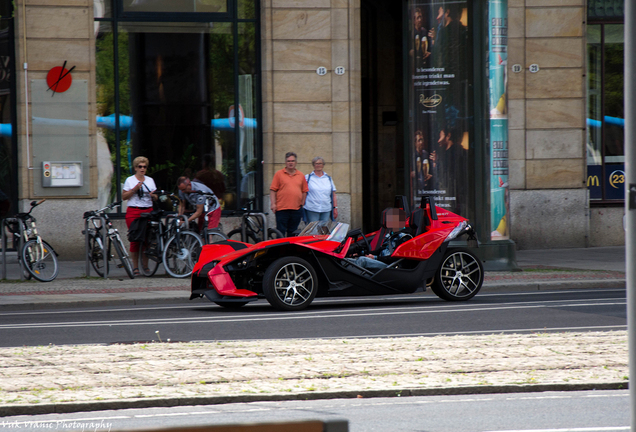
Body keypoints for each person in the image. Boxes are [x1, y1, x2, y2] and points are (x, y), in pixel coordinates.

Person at [122, 156, 157, 276]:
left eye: (144, 167)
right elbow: (124, 197)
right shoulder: (130, 180)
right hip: (134, 211)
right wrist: (135, 189)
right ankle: (135, 267)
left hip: (148, 210)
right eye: (140, 166)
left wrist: (154, 196)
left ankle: (145, 266)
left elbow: (156, 196)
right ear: (135, 168)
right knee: (135, 239)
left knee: (147, 239)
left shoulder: (150, 180)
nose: (142, 169)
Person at [270, 152, 308, 237]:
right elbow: (273, 190)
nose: (290, 163)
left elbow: (304, 191)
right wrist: (273, 204)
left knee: (293, 232)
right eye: (288, 161)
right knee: (281, 232)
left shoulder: (301, 175)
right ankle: (280, 250)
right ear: (285, 162)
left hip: (296, 210)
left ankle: (290, 250)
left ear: (296, 162)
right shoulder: (279, 174)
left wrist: (301, 204)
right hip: (281, 209)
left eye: (292, 161)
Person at [304, 156, 338, 222]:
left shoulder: (328, 178)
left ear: (323, 165)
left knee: (323, 230)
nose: (318, 165)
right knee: (313, 230)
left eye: (320, 163)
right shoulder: (308, 177)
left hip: (326, 209)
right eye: (316, 163)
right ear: (313, 165)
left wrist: (335, 208)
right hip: (312, 208)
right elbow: (303, 192)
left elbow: (333, 194)